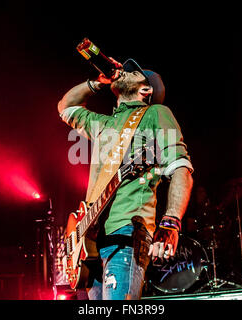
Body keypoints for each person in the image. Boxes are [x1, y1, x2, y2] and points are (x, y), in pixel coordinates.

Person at [57, 57, 194, 300]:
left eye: (132, 71)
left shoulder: (155, 114)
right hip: (90, 244)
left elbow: (181, 167)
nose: (124, 70)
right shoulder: (104, 123)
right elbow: (65, 107)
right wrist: (96, 83)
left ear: (145, 89)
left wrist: (171, 221)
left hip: (126, 233)